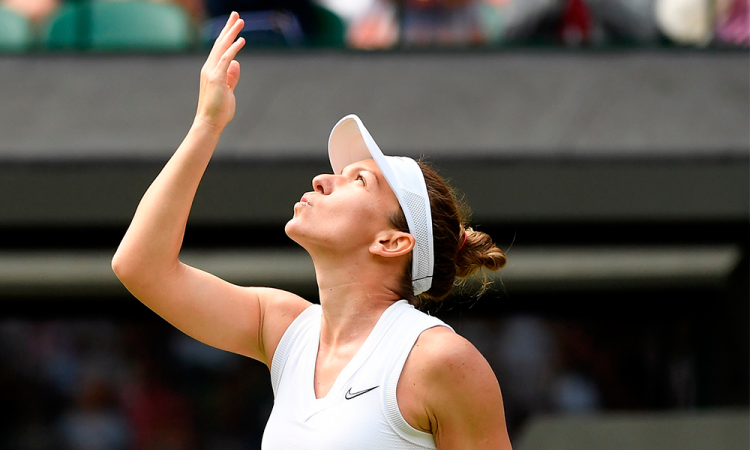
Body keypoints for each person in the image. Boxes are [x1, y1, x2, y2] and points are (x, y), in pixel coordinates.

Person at [112, 12, 513, 449]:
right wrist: (207, 125)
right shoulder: (284, 327)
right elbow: (140, 266)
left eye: (359, 180)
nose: (323, 180)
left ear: (391, 241)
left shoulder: (440, 359)